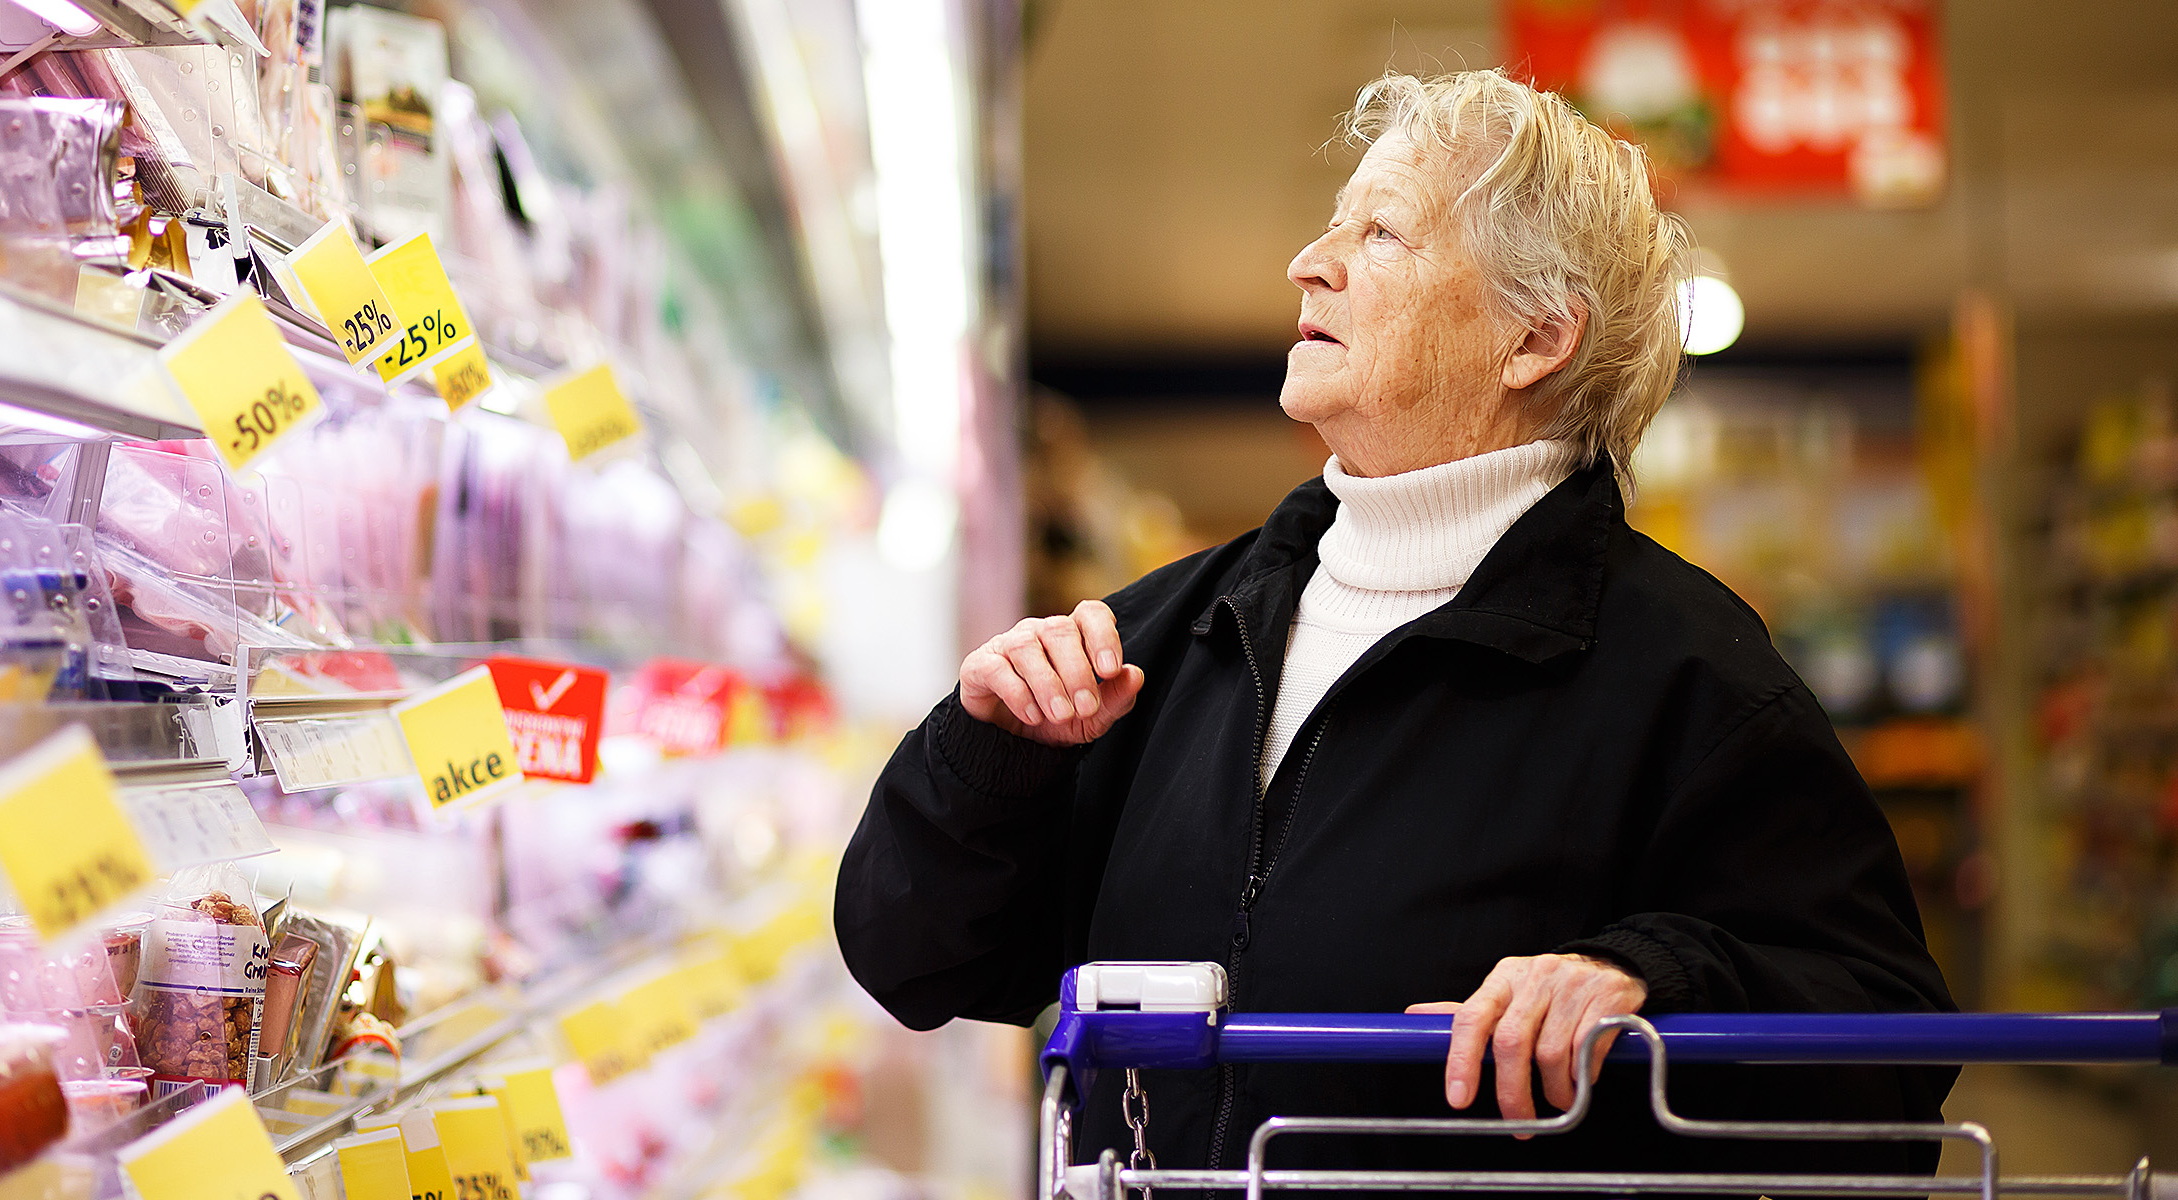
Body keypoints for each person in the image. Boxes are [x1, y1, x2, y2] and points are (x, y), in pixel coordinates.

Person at [835, 69, 1956, 1187]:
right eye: (1334, 224)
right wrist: (985, 756)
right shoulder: (1172, 636)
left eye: (1382, 233)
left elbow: (1887, 1049)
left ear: (1534, 340)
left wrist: (1652, 983)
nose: (1307, 264)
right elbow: (913, 960)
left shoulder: (1691, 676)